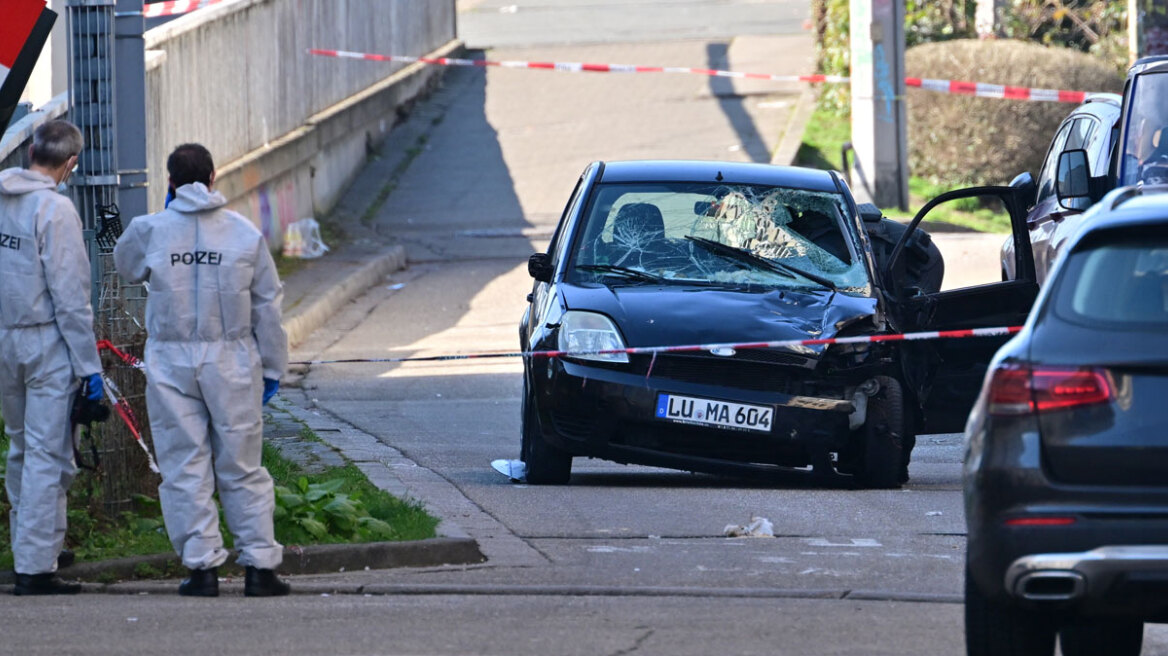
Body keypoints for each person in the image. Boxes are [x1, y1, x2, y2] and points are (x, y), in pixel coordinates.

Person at [113, 143, 289, 597]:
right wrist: (273, 367)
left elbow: (125, 265)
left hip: (171, 359)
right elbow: (268, 304)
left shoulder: (150, 230)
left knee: (183, 464)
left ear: (169, 181)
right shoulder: (243, 234)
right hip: (231, 358)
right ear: (213, 177)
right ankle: (260, 567)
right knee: (242, 465)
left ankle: (202, 568)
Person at [0, 120, 103, 595]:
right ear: (70, 164)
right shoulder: (54, 209)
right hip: (45, 343)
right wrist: (89, 368)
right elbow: (71, 296)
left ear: (29, 154)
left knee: (21, 446)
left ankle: (35, 544)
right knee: (48, 454)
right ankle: (36, 568)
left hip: (3, 341)